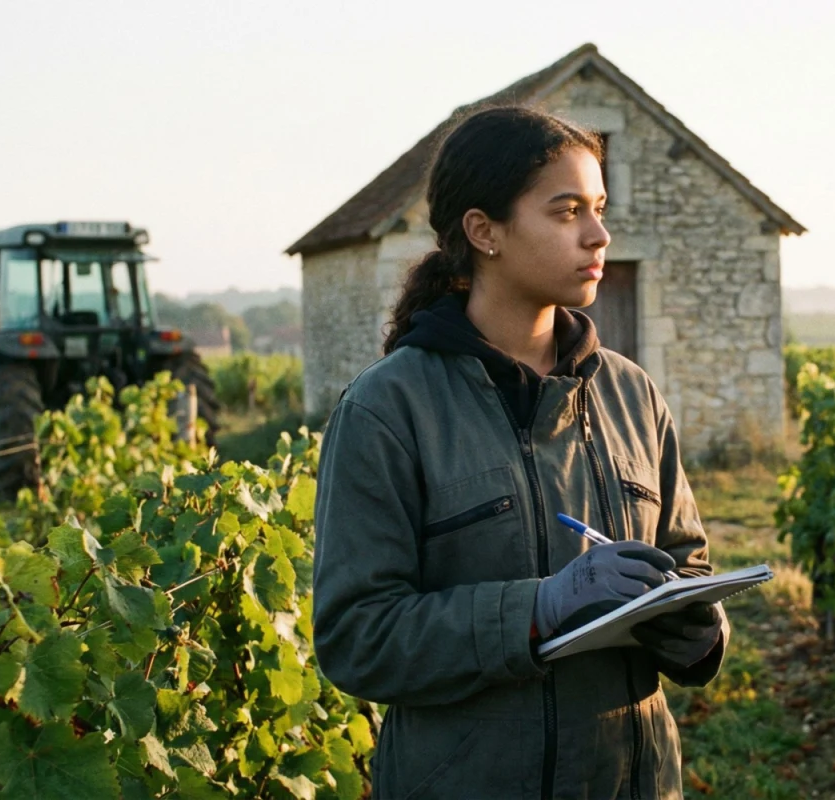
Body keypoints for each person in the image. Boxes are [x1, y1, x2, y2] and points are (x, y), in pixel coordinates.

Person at [311, 106, 728, 800]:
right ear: (484, 232)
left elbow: (689, 566)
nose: (599, 235)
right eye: (567, 211)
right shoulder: (387, 410)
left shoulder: (632, 394)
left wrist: (696, 630)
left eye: (598, 208)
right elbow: (358, 638)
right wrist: (538, 609)